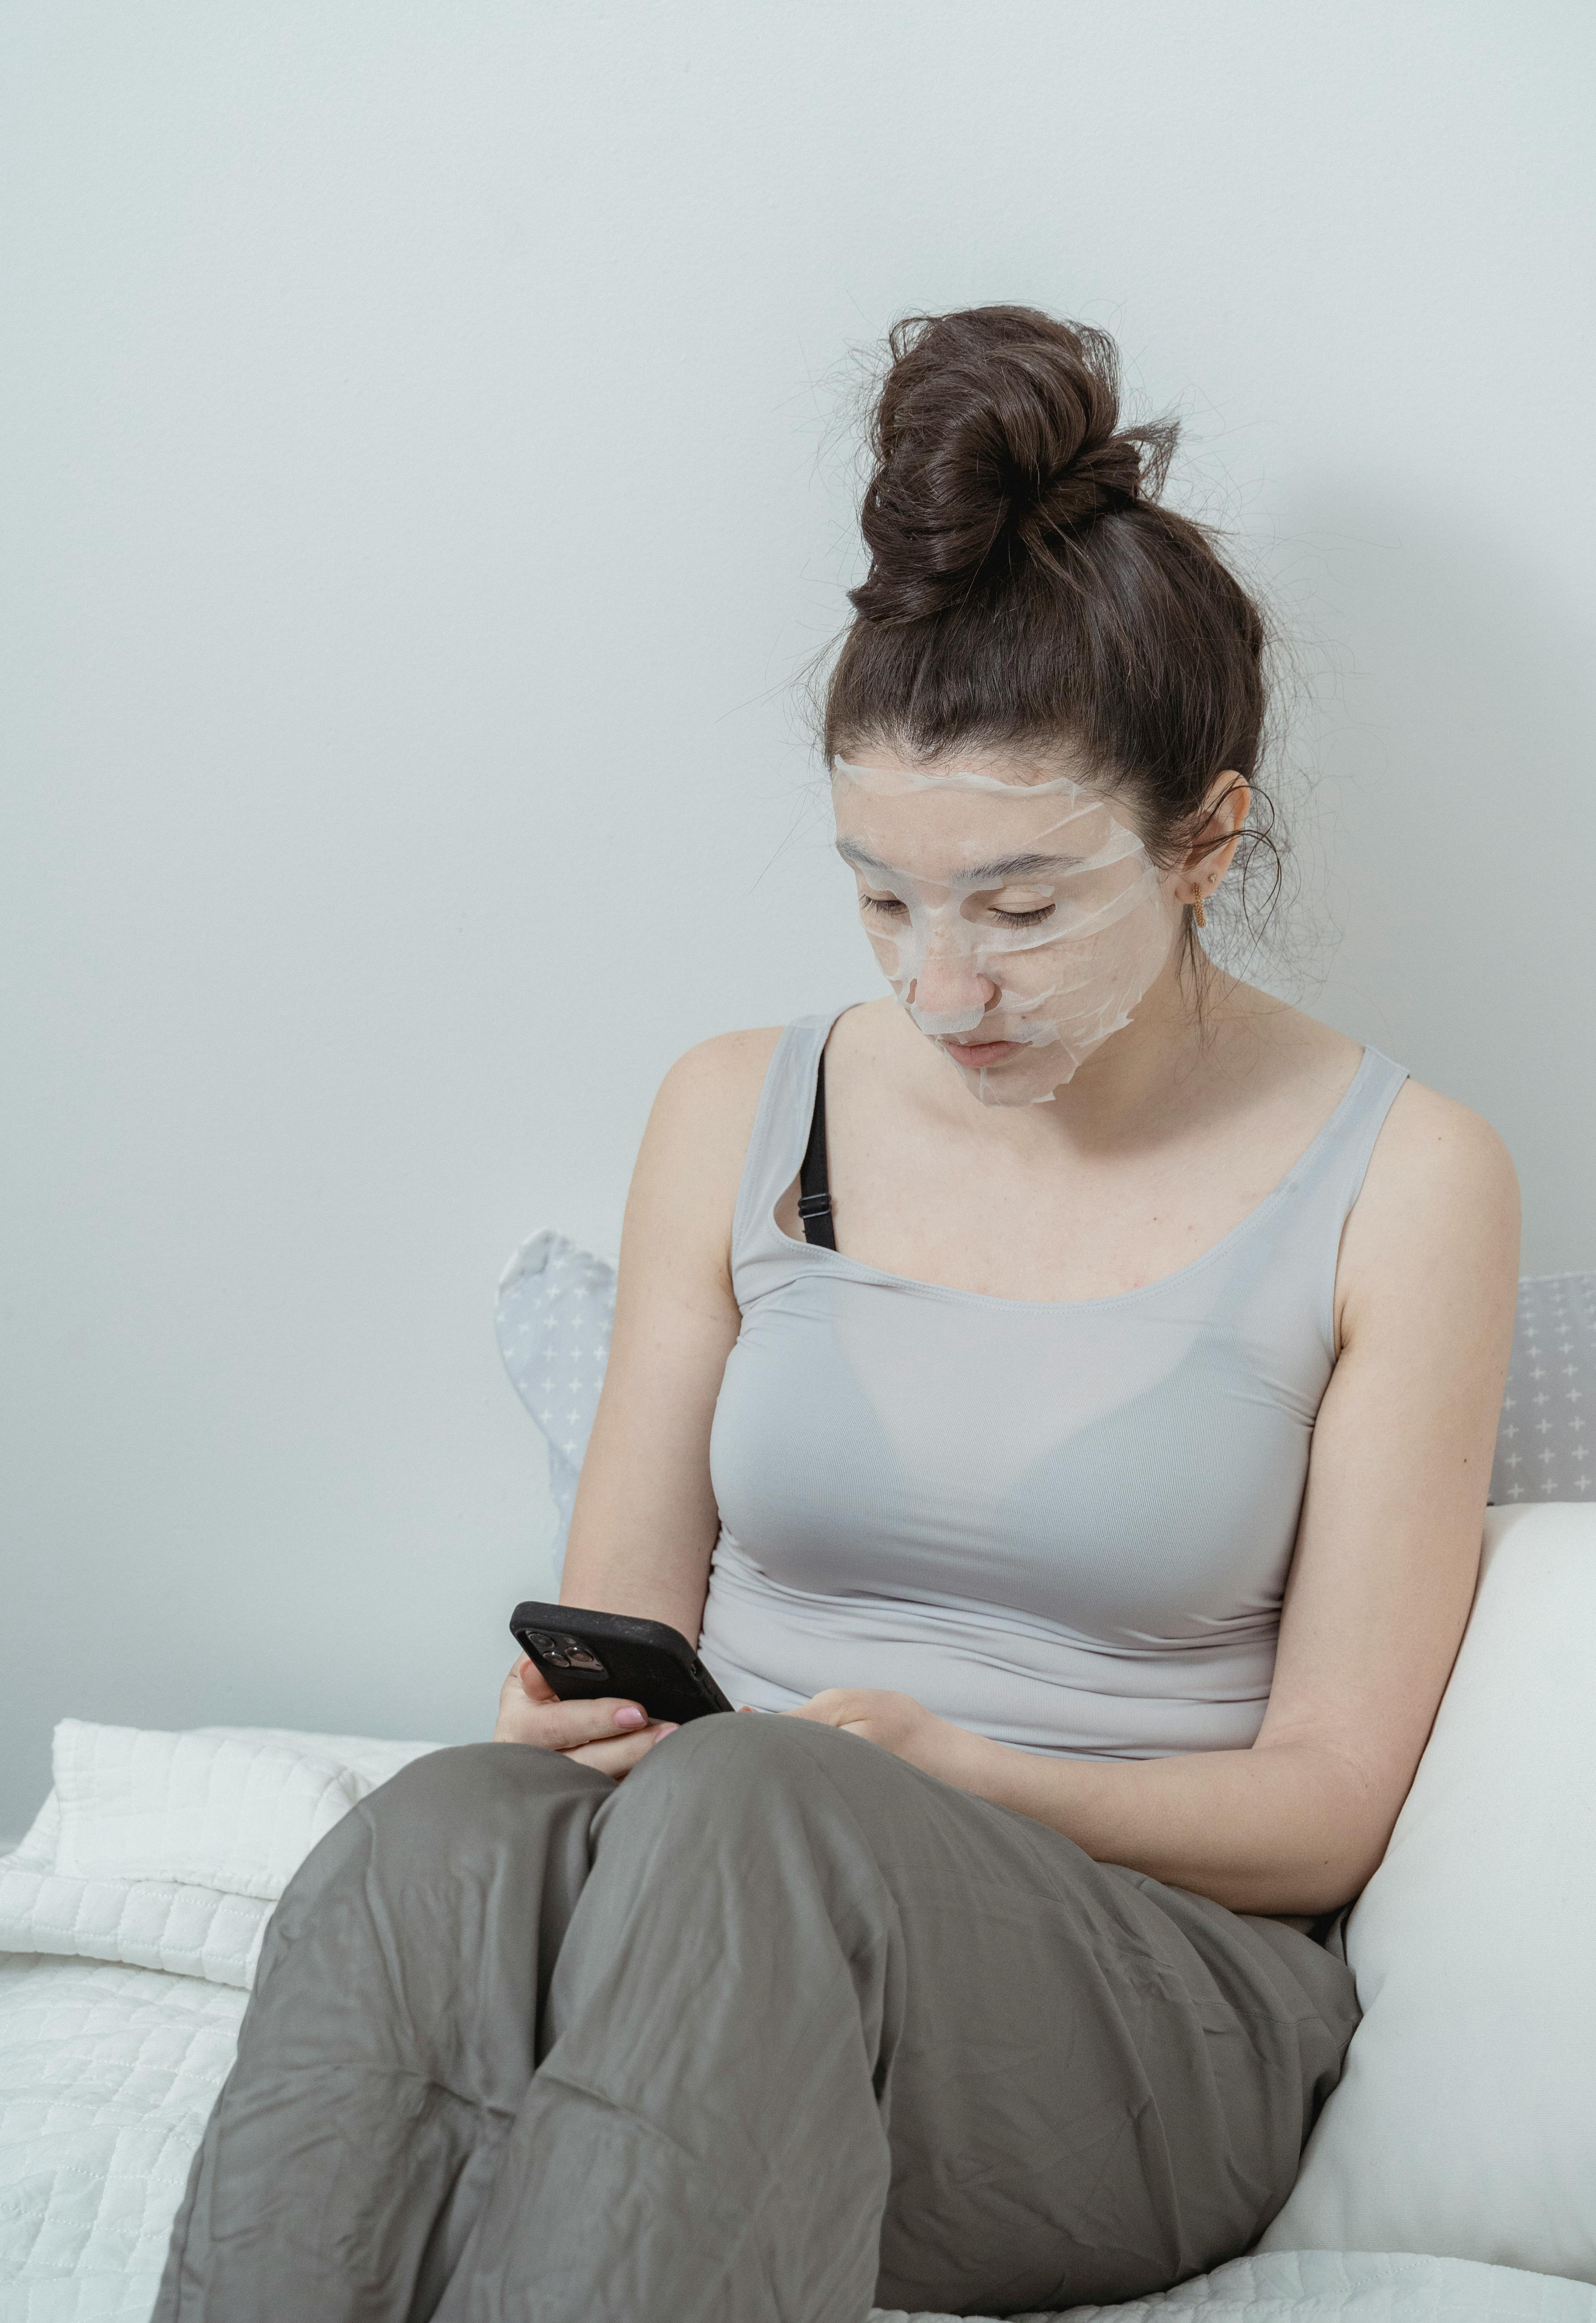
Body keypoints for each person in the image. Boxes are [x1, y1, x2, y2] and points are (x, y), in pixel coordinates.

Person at [153, 306, 1519, 2323]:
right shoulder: (734, 1108)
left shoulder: (1407, 1180)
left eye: (1024, 906)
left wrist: (947, 1777)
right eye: (884, 898)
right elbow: (618, 1653)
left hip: (1137, 2007)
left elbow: (1324, 1811)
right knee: (436, 1830)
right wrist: (578, 1719)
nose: (941, 987)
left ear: (1206, 839)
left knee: (768, 1799)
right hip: (722, 1896)